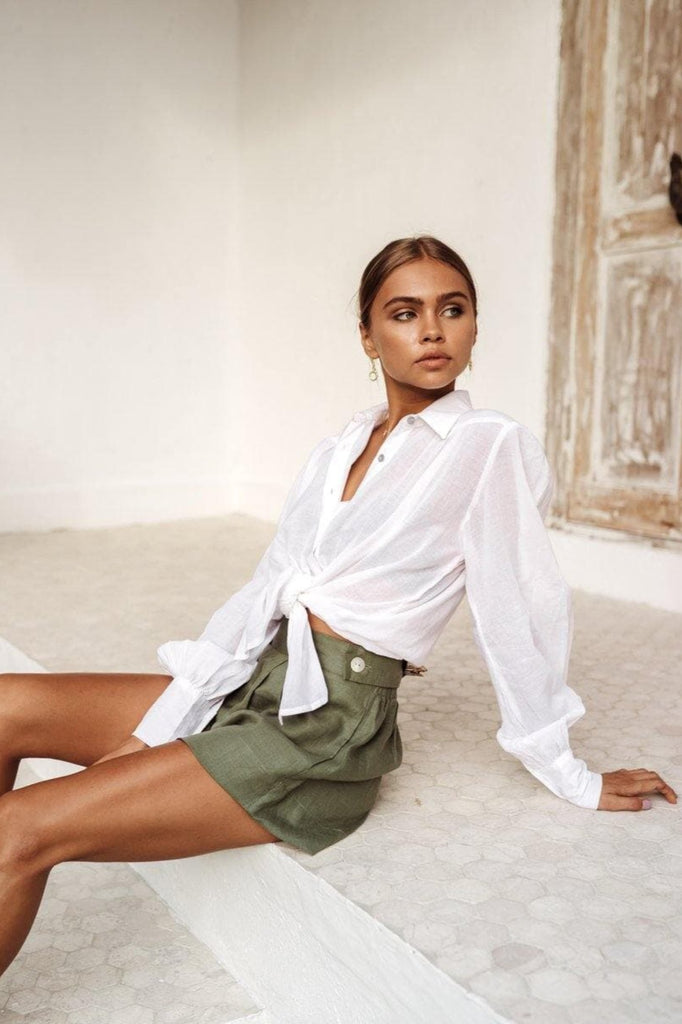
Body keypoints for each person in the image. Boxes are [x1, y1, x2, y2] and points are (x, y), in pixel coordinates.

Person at [0, 235, 676, 978]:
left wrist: (565, 767)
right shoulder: (338, 450)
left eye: (453, 310)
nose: (432, 330)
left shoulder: (488, 447)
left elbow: (519, 607)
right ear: (367, 335)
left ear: (475, 328)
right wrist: (165, 722)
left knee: (18, 829)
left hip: (326, 732)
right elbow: (266, 590)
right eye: (404, 312)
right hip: (255, 683)